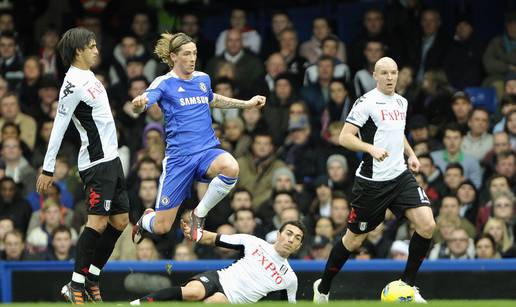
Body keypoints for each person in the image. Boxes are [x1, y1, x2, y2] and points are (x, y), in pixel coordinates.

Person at [312, 57, 435, 304]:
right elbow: (344, 137)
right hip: (371, 183)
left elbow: (397, 133)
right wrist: (370, 149)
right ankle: (323, 286)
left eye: (394, 73)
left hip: (400, 176)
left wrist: (410, 155)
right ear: (375, 76)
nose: (390, 77)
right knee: (354, 240)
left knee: (427, 225)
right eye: (384, 73)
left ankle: (407, 285)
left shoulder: (402, 101)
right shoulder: (366, 102)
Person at [131, 32, 266, 243]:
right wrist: (139, 105)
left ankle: (198, 215)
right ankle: (147, 219)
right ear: (173, 57)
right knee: (162, 227)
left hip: (206, 151)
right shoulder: (164, 83)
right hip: (179, 160)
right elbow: (145, 102)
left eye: (194, 53)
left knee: (231, 167)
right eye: (186, 54)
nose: (192, 58)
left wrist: (246, 104)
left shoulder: (203, 79)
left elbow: (212, 99)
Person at [35, 27, 130, 303]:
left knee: (121, 221)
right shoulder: (71, 85)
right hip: (96, 163)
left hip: (112, 160)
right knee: (97, 223)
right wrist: (48, 168)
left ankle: (92, 279)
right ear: (79, 51)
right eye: (92, 46)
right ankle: (74, 285)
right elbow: (58, 127)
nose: (97, 50)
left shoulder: (89, 77)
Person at [129, 218, 305, 305]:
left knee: (214, 303)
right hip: (218, 278)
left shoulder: (290, 279)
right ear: (279, 234)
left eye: (297, 238)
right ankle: (138, 303)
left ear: (298, 246)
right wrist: (195, 233)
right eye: (288, 234)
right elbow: (214, 238)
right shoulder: (253, 242)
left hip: (230, 299)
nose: (291, 239)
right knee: (193, 292)